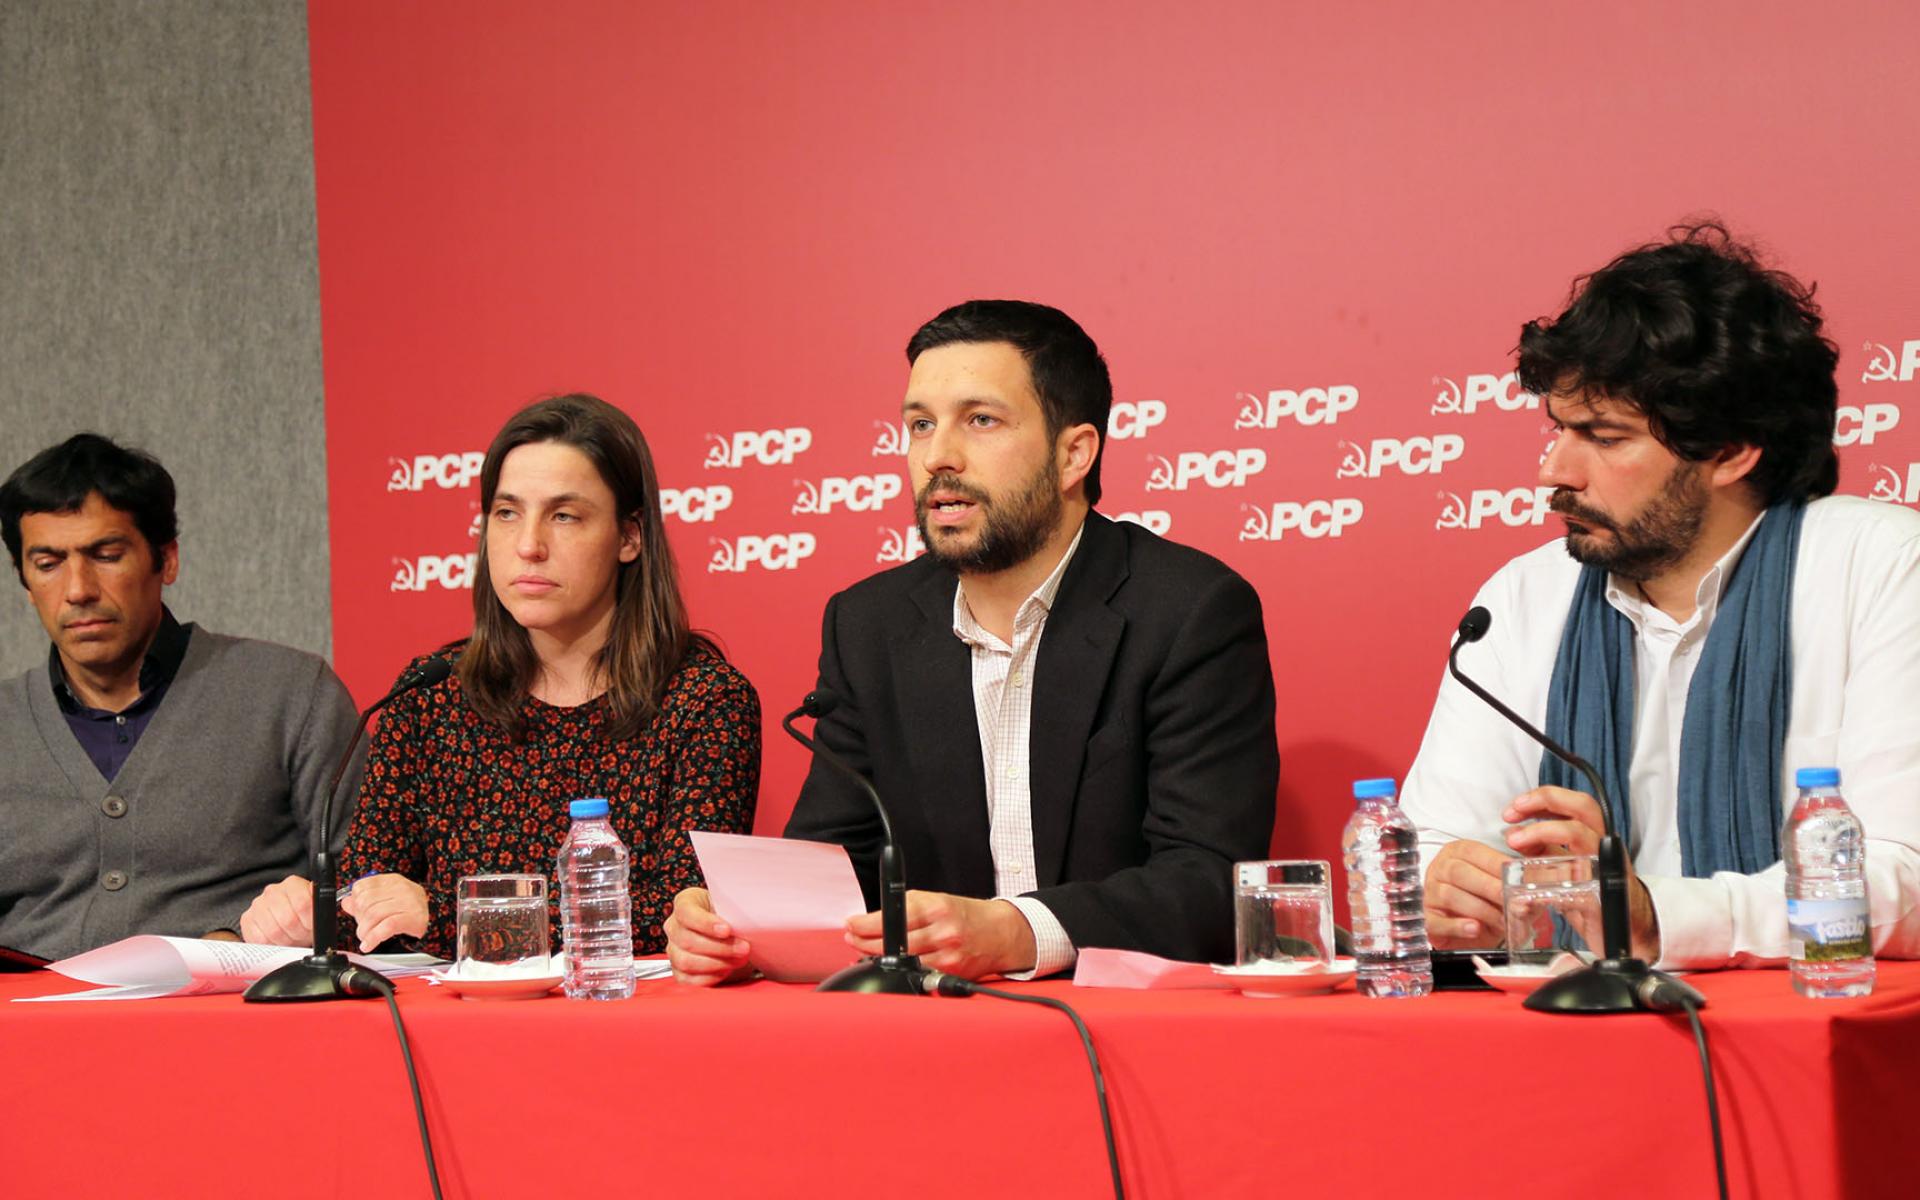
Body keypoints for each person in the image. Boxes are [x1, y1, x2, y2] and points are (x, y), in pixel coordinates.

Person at [666, 300, 1278, 983]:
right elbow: (839, 868)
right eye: (920, 425)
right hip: (936, 1028)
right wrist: (742, 926)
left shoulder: (1188, 611)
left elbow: (1209, 880)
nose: (937, 457)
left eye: (980, 420)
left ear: (1073, 453)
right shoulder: (869, 625)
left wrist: (1016, 931)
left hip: (1130, 1020)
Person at [1404, 222, 1920, 970]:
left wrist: (1659, 916)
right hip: (1571, 1022)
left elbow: (1906, 878)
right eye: (1559, 430)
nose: (1554, 472)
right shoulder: (1522, 599)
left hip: (1821, 1026)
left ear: (1729, 451)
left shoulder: (1882, 568)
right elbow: (1433, 843)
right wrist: (1452, 888)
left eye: (1604, 437)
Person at [241, 394, 760, 958]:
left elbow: (682, 915)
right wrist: (308, 912)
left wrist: (452, 917)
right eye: (507, 513)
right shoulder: (431, 696)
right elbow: (369, 894)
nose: (529, 546)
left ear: (630, 537)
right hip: (445, 1012)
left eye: (564, 516)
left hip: (619, 1006)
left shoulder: (705, 702)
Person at [0, 434, 361, 961]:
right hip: (29, 1009)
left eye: (106, 555)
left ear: (166, 560)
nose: (78, 589)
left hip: (230, 1002)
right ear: (25, 582)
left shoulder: (291, 693)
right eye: (48, 563)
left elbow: (368, 882)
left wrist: (241, 941)